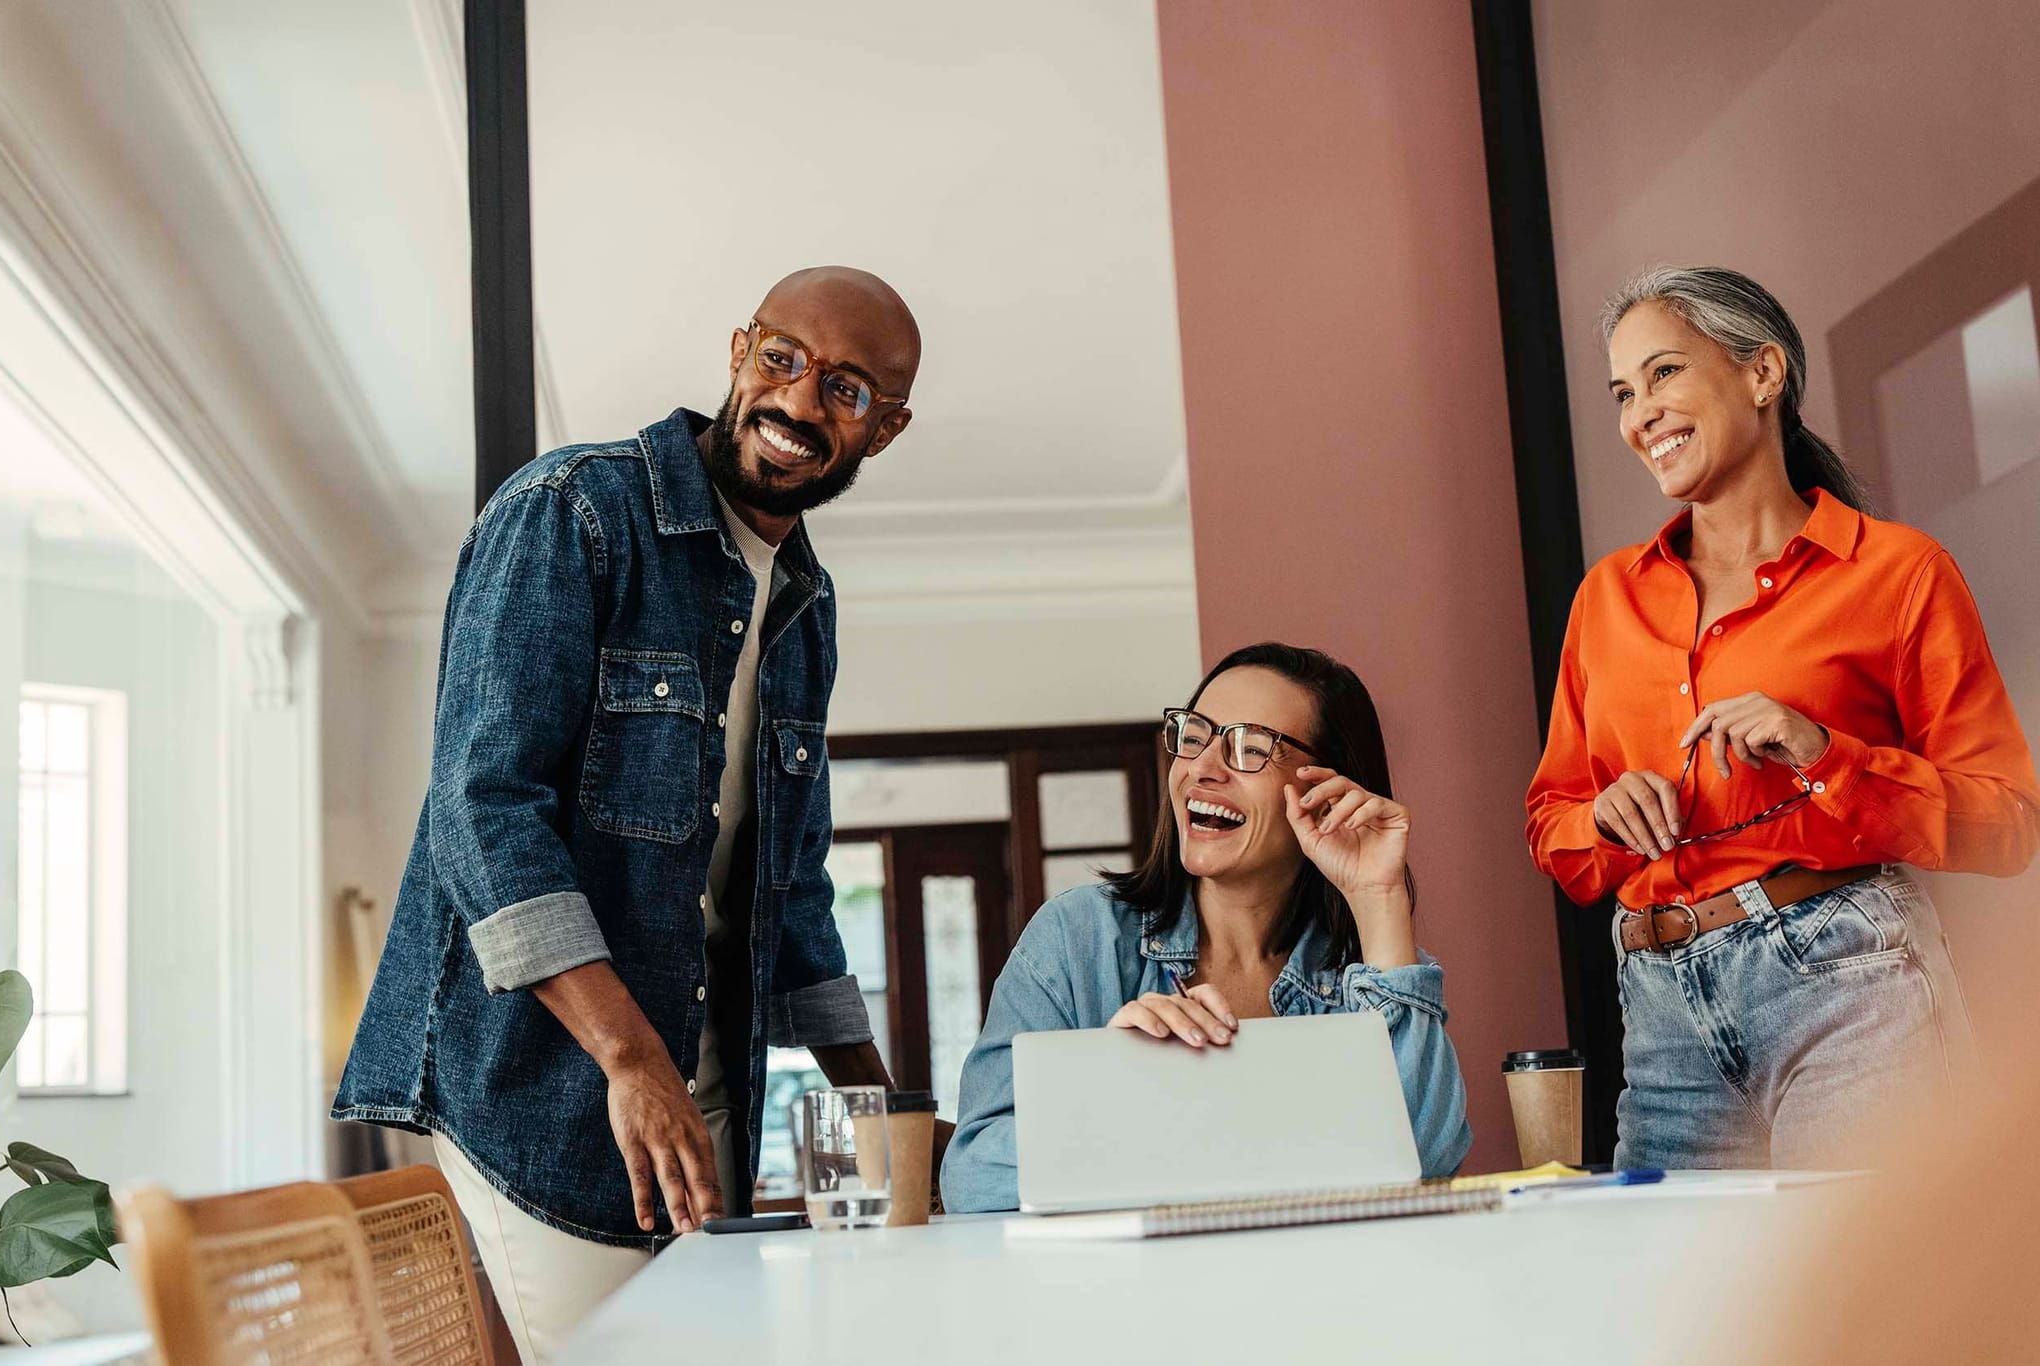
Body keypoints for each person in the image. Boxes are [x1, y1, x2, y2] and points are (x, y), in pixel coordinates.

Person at [333, 267, 921, 1362]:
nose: (797, 401)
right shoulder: (572, 512)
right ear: (739, 348)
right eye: (782, 358)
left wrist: (888, 1118)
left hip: (704, 1092)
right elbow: (481, 808)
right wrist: (632, 1063)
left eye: (844, 389)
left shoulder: (806, 602)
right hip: (547, 1080)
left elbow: (788, 888)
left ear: (881, 429)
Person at [1526, 265, 2039, 1170]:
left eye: (1664, 374)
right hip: (1659, 1007)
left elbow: (2008, 822)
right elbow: (1556, 828)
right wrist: (1601, 818)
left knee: (1873, 1306)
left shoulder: (1900, 573)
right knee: (1681, 1304)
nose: (1639, 413)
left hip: (1848, 983)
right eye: (1622, 391)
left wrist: (1823, 755)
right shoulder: (1606, 599)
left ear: (1763, 375)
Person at [941, 643, 1473, 1212]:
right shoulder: (1078, 939)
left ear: (1328, 790)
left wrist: (1380, 898)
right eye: (1195, 735)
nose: (1203, 768)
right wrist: (1121, 1088)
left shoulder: (1369, 974)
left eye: (1248, 747)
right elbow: (974, 1173)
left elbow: (1425, 1160)